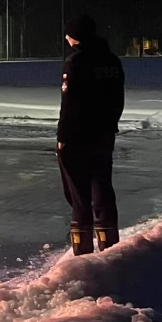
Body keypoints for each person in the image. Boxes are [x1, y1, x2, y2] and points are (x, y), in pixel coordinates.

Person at [56, 14, 125, 255]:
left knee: (79, 196)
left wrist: (62, 138)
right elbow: (118, 100)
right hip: (104, 135)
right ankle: (111, 251)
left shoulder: (76, 62)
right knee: (103, 190)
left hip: (77, 137)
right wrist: (109, 126)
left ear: (74, 36)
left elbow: (70, 104)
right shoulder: (112, 62)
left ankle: (83, 256)